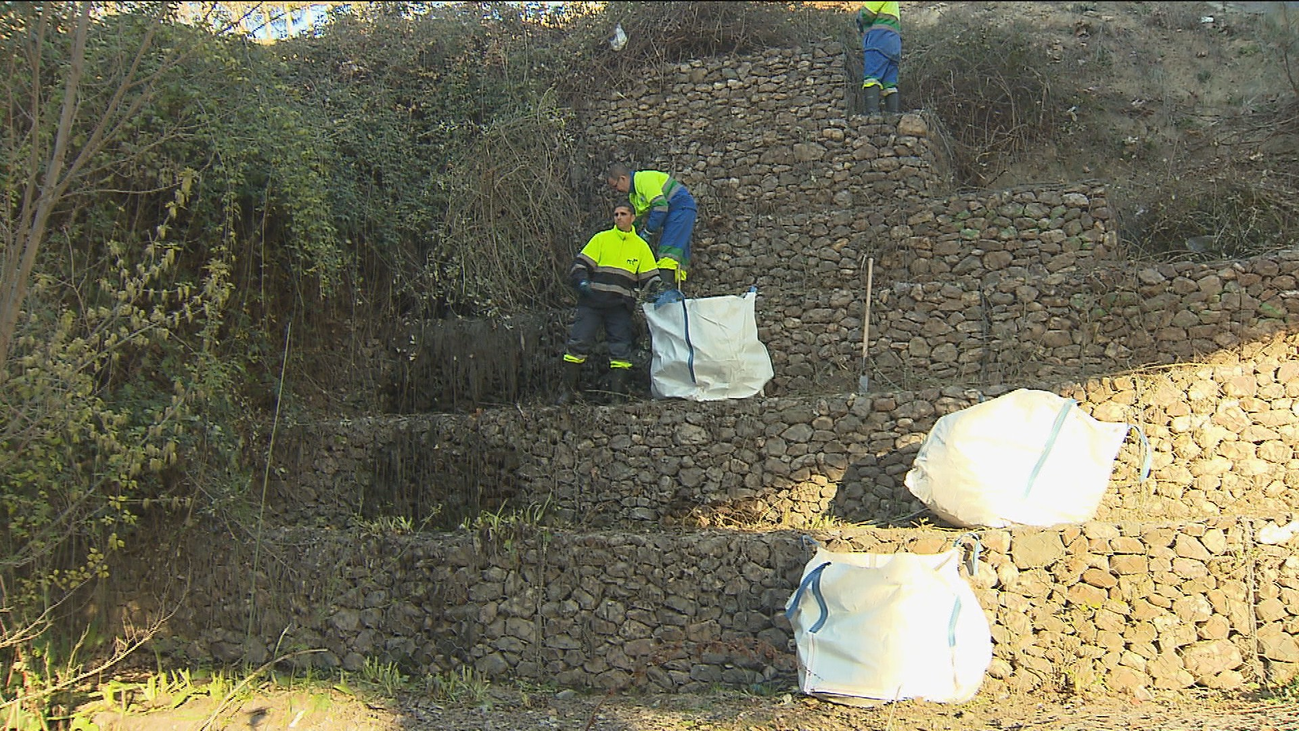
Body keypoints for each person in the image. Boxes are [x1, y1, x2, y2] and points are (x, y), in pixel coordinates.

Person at [558, 203, 662, 404]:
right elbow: (580, 265)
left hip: (620, 307)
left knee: (621, 350)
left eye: (623, 214)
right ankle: (568, 393)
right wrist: (582, 282)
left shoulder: (641, 247)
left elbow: (650, 278)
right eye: (615, 214)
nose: (618, 217)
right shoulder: (601, 239)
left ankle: (617, 397)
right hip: (592, 302)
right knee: (578, 343)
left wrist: (661, 290)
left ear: (632, 218)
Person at [606, 164, 696, 288]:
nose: (617, 190)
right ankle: (676, 287)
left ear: (622, 178)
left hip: (681, 208)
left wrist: (648, 232)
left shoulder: (643, 180)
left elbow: (660, 207)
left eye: (616, 186)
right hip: (674, 212)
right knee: (677, 253)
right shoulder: (634, 196)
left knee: (668, 250)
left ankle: (666, 290)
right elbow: (634, 220)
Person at [857, 1, 901, 115]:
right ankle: (893, 115)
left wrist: (858, 18)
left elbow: (866, 15)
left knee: (872, 77)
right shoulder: (893, 4)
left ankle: (873, 115)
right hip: (894, 44)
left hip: (878, 41)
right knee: (890, 82)